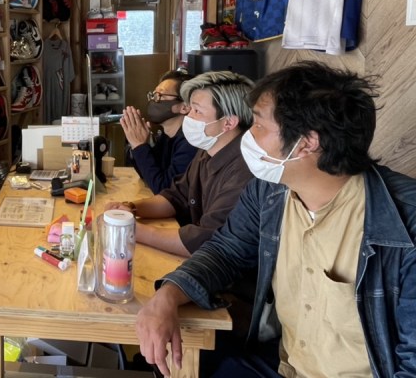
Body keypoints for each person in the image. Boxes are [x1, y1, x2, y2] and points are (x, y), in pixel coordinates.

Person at [136, 61, 416, 378]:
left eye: (258, 125)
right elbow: (226, 251)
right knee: (177, 361)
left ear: (307, 142)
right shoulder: (270, 190)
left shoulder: (405, 225)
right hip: (284, 365)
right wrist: (168, 294)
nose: (247, 136)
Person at [110, 70, 255, 258]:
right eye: (190, 109)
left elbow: (204, 241)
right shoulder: (207, 151)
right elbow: (176, 196)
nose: (189, 116)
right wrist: (131, 208)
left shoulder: (244, 171)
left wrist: (132, 230)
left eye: (197, 111)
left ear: (228, 122)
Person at [121, 69, 198, 193]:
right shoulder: (166, 137)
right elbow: (148, 175)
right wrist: (141, 144)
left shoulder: (190, 143)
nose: (153, 100)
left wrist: (139, 146)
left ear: (184, 107)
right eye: (153, 95)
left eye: (160, 95)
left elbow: (164, 189)